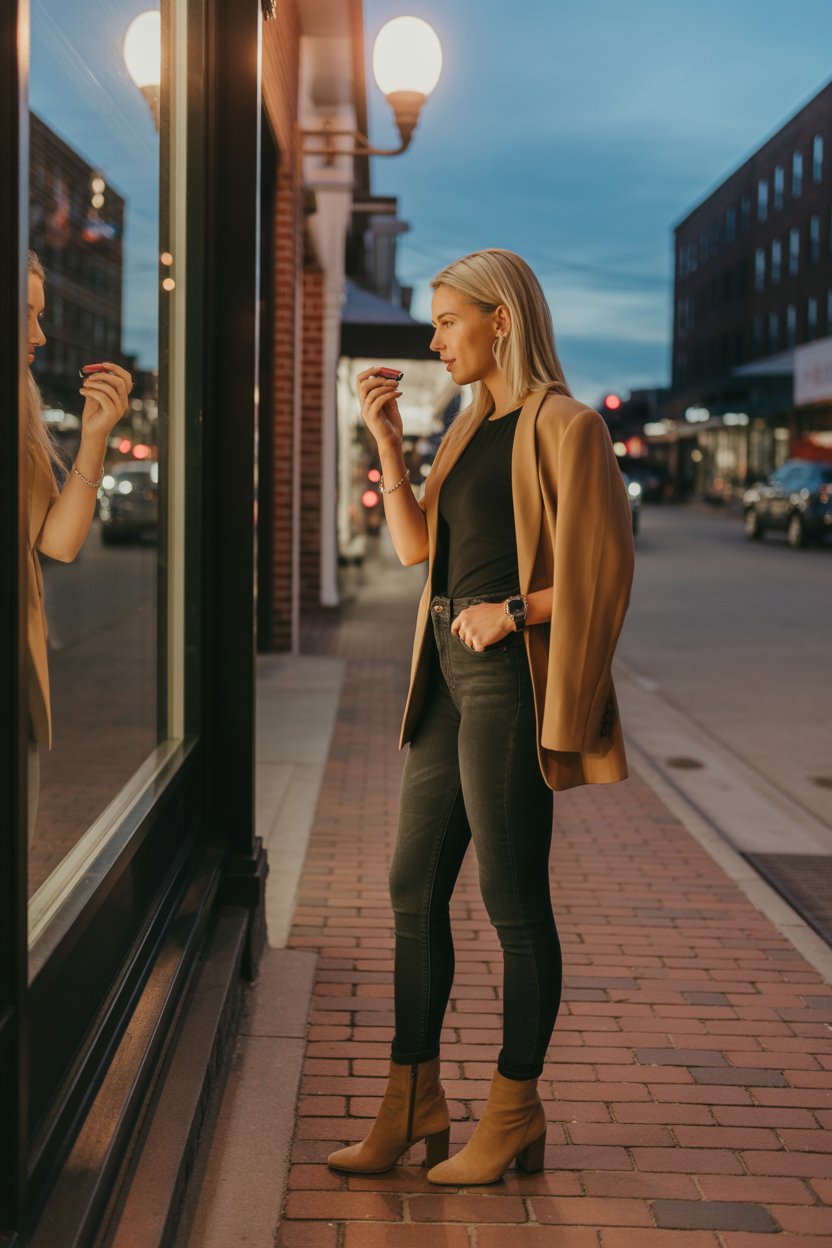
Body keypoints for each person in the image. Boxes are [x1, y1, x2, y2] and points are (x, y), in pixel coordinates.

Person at [327, 248, 635, 1185]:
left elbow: (605, 573)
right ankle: (412, 1099)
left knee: (512, 903)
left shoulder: (567, 427)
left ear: (501, 320)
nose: (435, 340)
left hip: (506, 681)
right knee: (410, 888)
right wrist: (384, 438)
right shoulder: (467, 426)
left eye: (447, 322)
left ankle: (513, 1110)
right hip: (443, 683)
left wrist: (514, 612)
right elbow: (420, 547)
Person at [25, 249, 133, 843]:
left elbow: (58, 544)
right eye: (25, 313)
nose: (39, 334)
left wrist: (94, 438)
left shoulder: (21, 405)